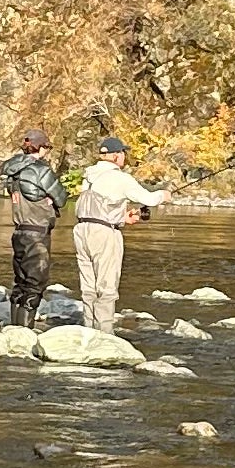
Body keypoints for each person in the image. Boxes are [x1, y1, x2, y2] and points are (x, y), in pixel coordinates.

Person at [71, 135, 164, 332]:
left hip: (81, 231)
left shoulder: (88, 176)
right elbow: (149, 198)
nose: (124, 156)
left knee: (88, 285)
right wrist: (165, 194)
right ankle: (105, 333)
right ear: (114, 156)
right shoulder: (119, 177)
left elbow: (98, 207)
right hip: (104, 234)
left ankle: (89, 329)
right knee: (106, 286)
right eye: (122, 152)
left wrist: (122, 218)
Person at [0, 131, 64, 326]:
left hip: (19, 231)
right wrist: (50, 200)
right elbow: (61, 197)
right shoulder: (41, 171)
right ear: (41, 147)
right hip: (37, 232)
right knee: (35, 283)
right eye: (47, 147)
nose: (47, 151)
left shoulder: (12, 171)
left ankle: (15, 326)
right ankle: (25, 330)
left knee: (20, 280)